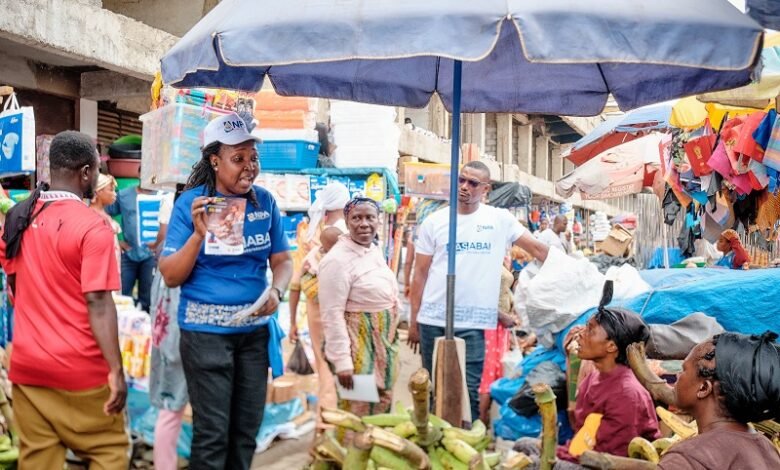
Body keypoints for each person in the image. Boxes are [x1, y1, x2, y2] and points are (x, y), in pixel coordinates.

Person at [159, 113, 292, 470]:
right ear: (214, 161)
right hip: (205, 336)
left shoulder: (264, 202)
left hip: (253, 336)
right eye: (238, 159)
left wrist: (277, 292)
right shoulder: (191, 204)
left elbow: (282, 261)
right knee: (213, 434)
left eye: (253, 158)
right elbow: (170, 275)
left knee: (246, 432)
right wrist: (199, 234)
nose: (249, 167)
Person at [0, 131, 128, 468]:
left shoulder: (18, 219)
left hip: (27, 369)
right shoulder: (93, 227)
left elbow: (15, 288)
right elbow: (98, 302)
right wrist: (116, 370)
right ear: (85, 172)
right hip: (80, 373)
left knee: (38, 462)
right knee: (109, 455)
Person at [408, 161, 549, 421]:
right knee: (432, 388)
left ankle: (468, 447)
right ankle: (431, 447)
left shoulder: (499, 220)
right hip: (433, 319)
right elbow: (420, 274)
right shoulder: (435, 222)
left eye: (473, 183)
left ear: (486, 189)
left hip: (474, 323)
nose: (464, 187)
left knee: (468, 391)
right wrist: (414, 321)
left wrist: (575, 273)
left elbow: (539, 251)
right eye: (461, 180)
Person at [514, 281, 660, 468]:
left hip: (606, 463)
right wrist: (557, 450)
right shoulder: (593, 378)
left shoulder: (627, 394)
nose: (581, 334)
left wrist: (557, 457)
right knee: (523, 446)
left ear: (611, 346)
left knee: (530, 464)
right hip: (586, 453)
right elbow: (585, 437)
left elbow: (607, 457)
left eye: (591, 330)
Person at [318, 197, 400, 417]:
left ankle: (375, 450)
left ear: (378, 220)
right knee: (358, 408)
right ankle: (351, 450)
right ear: (346, 221)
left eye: (369, 217)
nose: (364, 223)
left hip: (382, 343)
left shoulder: (372, 249)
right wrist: (342, 361)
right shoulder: (336, 261)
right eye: (357, 218)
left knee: (380, 407)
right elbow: (331, 314)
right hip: (358, 347)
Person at [658, 331, 780, 469]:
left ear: (704, 388)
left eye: (683, 370)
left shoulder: (689, 458)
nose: (677, 376)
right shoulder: (766, 447)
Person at [150, 190, 187, 470]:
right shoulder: (183, 250)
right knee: (172, 409)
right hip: (178, 339)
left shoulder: (168, 247)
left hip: (168, 338)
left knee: (170, 409)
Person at [288, 181, 350, 344]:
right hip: (347, 310)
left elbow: (295, 283)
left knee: (322, 359)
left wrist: (292, 322)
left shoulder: (313, 232)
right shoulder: (353, 232)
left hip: (317, 306)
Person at [298, 226, 343, 436]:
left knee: (326, 370)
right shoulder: (343, 260)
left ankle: (325, 424)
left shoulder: (311, 259)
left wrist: (292, 323)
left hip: (318, 321)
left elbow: (296, 286)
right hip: (337, 323)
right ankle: (331, 424)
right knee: (337, 372)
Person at [106, 177, 160, 312]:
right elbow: (102, 211)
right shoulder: (124, 195)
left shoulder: (162, 197)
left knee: (148, 299)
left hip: (150, 256)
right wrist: (117, 240)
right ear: (140, 174)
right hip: (128, 254)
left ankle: (145, 331)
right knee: (122, 297)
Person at [478, 255, 518, 423]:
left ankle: (486, 419)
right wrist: (502, 315)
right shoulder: (484, 256)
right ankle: (480, 419)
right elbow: (479, 294)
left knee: (496, 372)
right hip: (491, 324)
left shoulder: (502, 248)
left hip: (501, 326)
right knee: (487, 374)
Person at [89, 173, 122, 278]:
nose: (115, 194)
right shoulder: (91, 216)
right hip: (102, 271)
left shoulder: (105, 215)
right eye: (111, 190)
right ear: (98, 192)